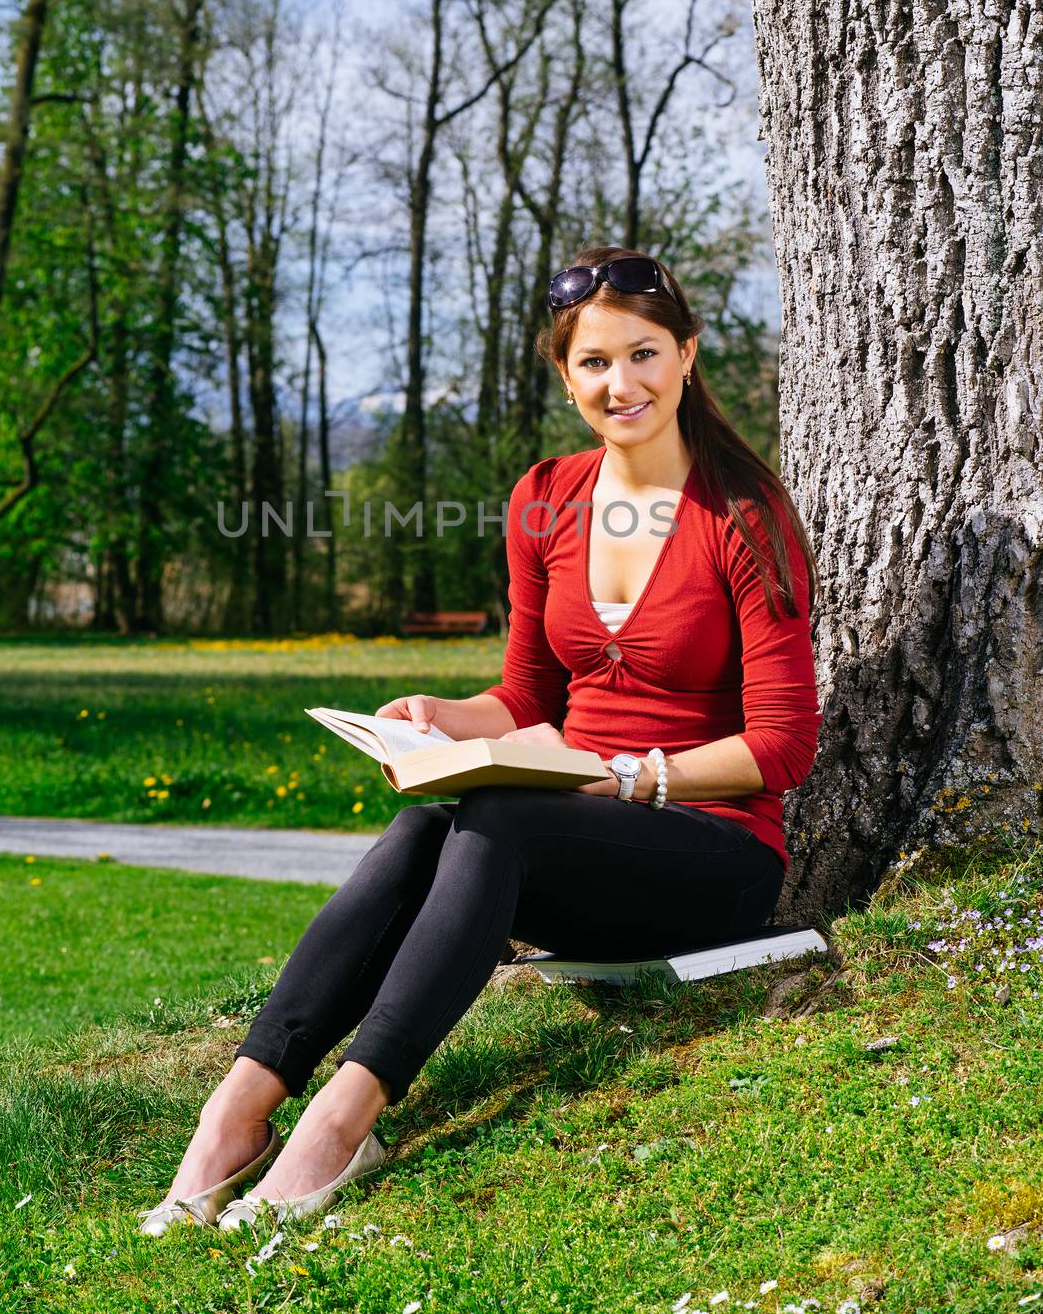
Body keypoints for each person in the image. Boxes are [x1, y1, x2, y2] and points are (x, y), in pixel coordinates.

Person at [139, 243, 824, 1238]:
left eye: (641, 354)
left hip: (708, 853)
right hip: (558, 837)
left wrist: (623, 778)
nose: (618, 382)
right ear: (564, 375)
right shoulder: (544, 497)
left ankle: (341, 1120)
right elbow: (524, 694)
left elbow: (782, 746)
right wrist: (439, 719)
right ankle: (236, 1113)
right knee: (425, 827)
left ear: (686, 353)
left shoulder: (744, 516)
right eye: (592, 362)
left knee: (497, 814)